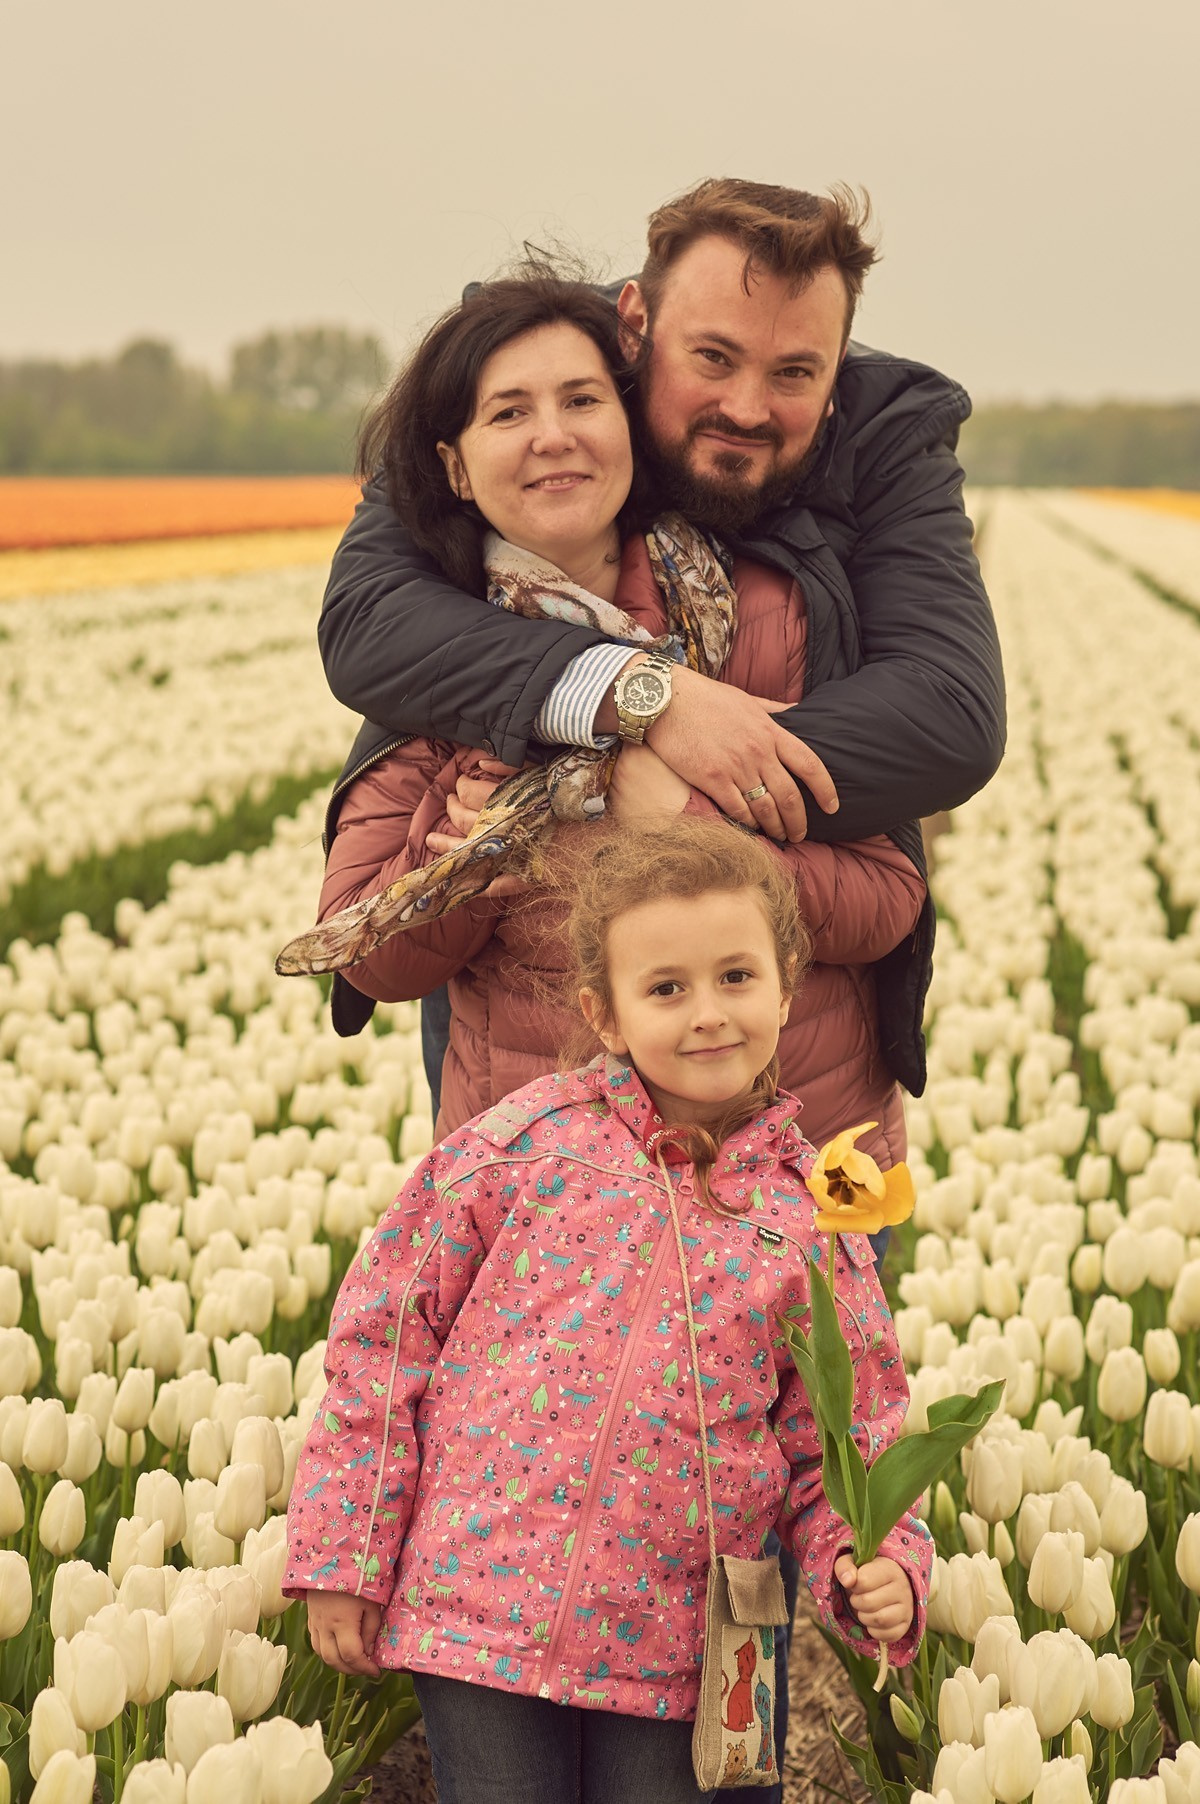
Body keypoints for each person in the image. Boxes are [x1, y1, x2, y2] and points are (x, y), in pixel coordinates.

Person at [285, 816, 932, 1804]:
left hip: (685, 1640)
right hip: (481, 1610)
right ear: (607, 1009)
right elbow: (384, 1332)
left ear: (787, 986)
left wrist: (872, 1559)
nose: (707, 1012)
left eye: (736, 976)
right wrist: (348, 1548)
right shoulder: (523, 1148)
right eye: (666, 988)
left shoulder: (812, 1215)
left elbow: (848, 1433)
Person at [313, 271, 926, 1185]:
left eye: (582, 399)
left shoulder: (768, 614)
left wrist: (683, 823)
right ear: (453, 464)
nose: (552, 435)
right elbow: (372, 958)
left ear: (629, 423)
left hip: (787, 1179)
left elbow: (884, 902)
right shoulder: (435, 661)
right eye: (508, 412)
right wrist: (476, 863)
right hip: (548, 1207)